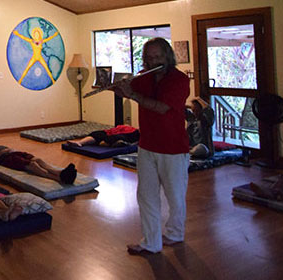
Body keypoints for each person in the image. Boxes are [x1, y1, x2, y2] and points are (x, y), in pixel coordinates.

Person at [111, 37, 191, 255]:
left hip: (174, 148)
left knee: (175, 196)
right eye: (149, 57)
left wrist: (132, 94)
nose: (154, 61)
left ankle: (175, 233)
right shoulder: (143, 78)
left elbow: (162, 107)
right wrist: (118, 88)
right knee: (146, 196)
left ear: (167, 56)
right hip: (147, 145)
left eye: (158, 57)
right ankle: (151, 242)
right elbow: (127, 90)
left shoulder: (179, 80)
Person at [0, 138, 77, 184]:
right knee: (32, 164)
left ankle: (61, 173)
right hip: (7, 159)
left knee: (38, 160)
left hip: (14, 153)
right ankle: (58, 178)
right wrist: (2, 152)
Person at [66, 124, 140, 147]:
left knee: (117, 138)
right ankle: (80, 142)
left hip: (121, 136)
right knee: (96, 134)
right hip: (109, 132)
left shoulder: (136, 134)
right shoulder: (128, 127)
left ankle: (107, 143)